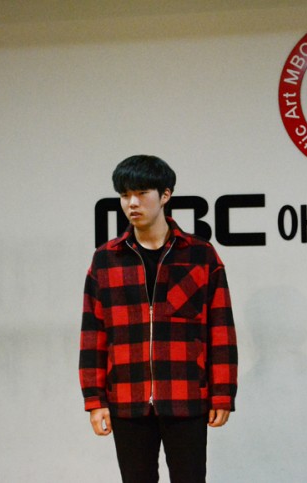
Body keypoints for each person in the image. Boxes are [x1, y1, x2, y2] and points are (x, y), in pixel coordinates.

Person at [79, 155, 238, 482]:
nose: (132, 203)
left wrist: (222, 393)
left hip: (186, 394)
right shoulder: (106, 259)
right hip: (127, 397)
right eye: (125, 195)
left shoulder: (200, 254)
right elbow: (93, 334)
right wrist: (94, 399)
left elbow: (220, 329)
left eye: (141, 193)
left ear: (165, 195)